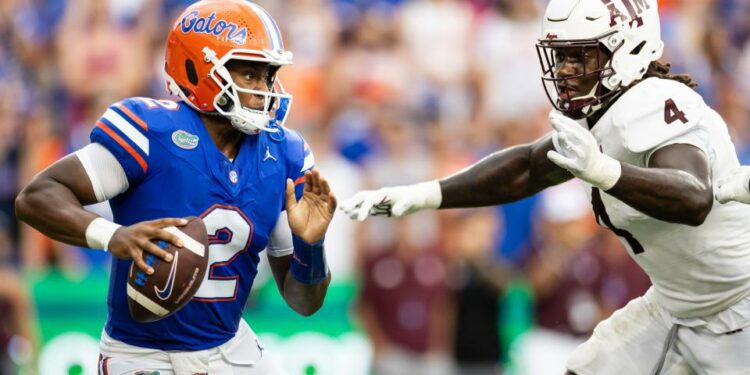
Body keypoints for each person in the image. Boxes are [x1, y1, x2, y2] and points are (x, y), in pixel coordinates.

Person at [341, 0, 750, 373]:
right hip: (675, 305)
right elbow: (527, 167)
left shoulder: (651, 101)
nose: (567, 70)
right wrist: (423, 195)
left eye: (580, 55)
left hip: (736, 311)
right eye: (562, 56)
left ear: (628, 48)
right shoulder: (598, 112)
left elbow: (693, 197)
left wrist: (605, 171)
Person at [15, 1, 336, 374]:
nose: (263, 90)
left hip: (229, 351)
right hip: (141, 355)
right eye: (249, 74)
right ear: (197, 69)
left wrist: (311, 245)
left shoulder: (285, 153)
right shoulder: (153, 133)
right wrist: (114, 236)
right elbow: (37, 196)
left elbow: (304, 302)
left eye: (267, 75)